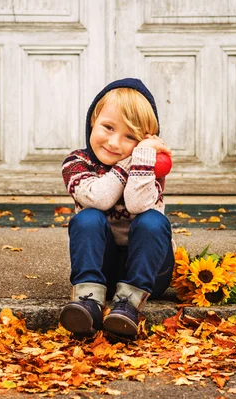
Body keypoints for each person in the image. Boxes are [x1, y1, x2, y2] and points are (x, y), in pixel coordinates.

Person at [59, 78, 174, 338]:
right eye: (108, 127)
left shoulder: (149, 167)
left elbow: (137, 204)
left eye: (129, 137)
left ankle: (129, 307)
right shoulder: (76, 163)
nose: (114, 142)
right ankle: (88, 300)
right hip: (103, 267)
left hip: (150, 272)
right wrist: (127, 163)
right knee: (88, 218)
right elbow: (99, 199)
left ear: (145, 141)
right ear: (93, 120)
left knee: (153, 222)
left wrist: (142, 161)